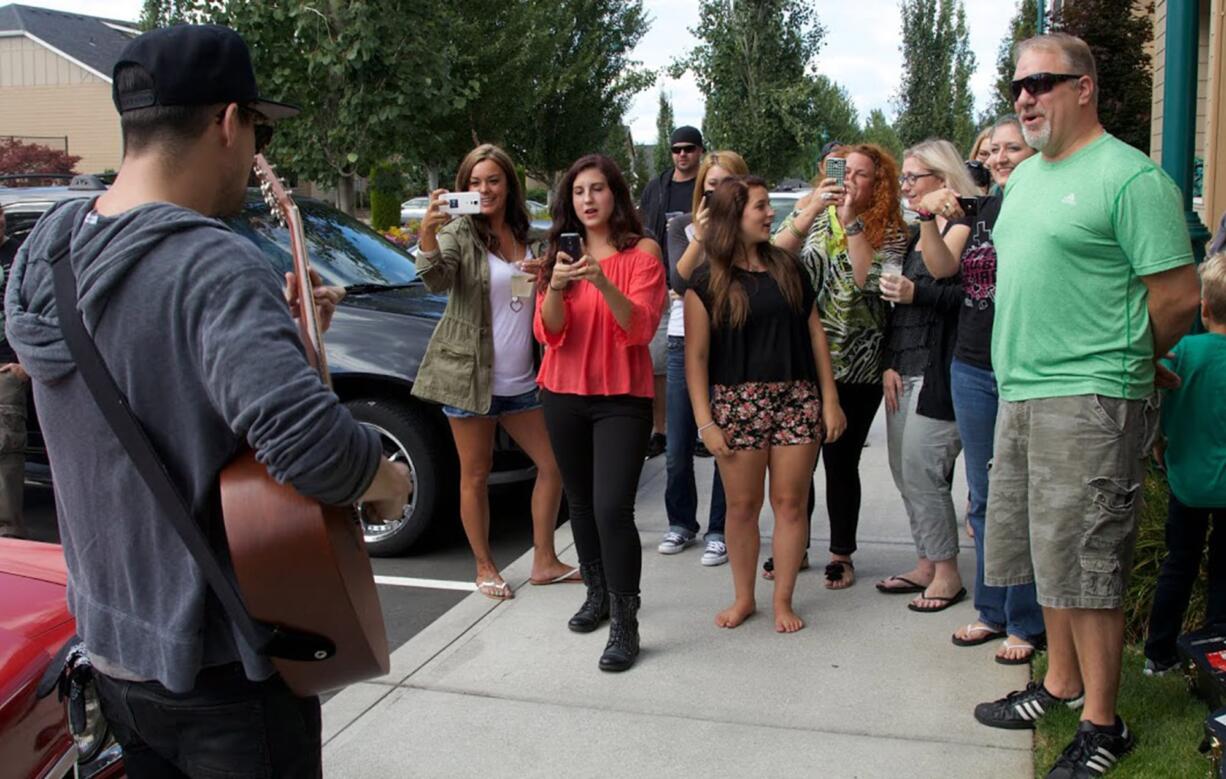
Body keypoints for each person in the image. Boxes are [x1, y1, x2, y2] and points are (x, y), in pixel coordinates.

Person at [3, 24, 412, 777]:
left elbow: (143, 365)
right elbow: (312, 448)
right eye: (256, 126)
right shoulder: (211, 264)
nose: (258, 149)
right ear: (229, 121)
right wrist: (387, 479)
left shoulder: (48, 253)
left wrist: (279, 339)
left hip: (116, 659)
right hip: (223, 673)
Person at [972, 34, 1200, 777]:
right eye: (1016, 87)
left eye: (1041, 82)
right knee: (1049, 554)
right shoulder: (1029, 177)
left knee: (1091, 562)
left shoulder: (1130, 179)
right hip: (1024, 391)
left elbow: (1177, 296)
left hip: (1089, 397)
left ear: (1085, 87)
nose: (1025, 98)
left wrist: (1129, 362)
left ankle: (1104, 724)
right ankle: (1062, 682)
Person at [412, 144, 574, 600]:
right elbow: (436, 278)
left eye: (493, 180)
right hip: (470, 377)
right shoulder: (460, 230)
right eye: (475, 182)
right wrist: (427, 235)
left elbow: (525, 300)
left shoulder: (526, 232)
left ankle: (544, 559)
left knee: (552, 464)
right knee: (476, 475)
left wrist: (541, 273)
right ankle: (484, 566)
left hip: (521, 378)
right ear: (464, 187)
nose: (484, 190)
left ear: (509, 184)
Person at [685, 176, 845, 633]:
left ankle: (783, 600)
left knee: (791, 504)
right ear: (735, 215)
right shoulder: (707, 280)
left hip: (796, 397)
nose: (770, 213)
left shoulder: (787, 267)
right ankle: (743, 598)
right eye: (760, 207)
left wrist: (829, 400)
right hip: (737, 403)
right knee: (742, 507)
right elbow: (696, 359)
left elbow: (816, 335)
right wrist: (705, 422)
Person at [915, 116, 1046, 665]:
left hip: (1025, 364)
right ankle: (993, 611)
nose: (999, 157)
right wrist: (927, 217)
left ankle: (1026, 620)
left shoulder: (1037, 208)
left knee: (1026, 497)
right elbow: (942, 266)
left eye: (1011, 147)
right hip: (972, 365)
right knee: (986, 496)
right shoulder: (982, 211)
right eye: (992, 150)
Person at [536, 154, 666, 672]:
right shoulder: (557, 257)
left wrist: (602, 280)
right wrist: (556, 285)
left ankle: (626, 623)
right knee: (582, 503)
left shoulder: (643, 253)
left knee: (613, 507)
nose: (588, 200)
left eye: (597, 189)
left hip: (620, 397)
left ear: (615, 195)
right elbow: (548, 332)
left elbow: (640, 328)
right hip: (562, 390)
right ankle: (597, 594)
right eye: (578, 192)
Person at [772, 143, 910, 589]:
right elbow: (775, 258)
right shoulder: (811, 212)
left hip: (860, 363)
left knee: (841, 461)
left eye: (862, 173)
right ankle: (798, 546)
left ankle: (841, 553)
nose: (850, 179)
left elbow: (864, 276)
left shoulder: (890, 229)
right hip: (804, 359)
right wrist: (812, 209)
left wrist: (851, 221)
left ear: (878, 182)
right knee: (799, 461)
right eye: (842, 170)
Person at [876, 139, 973, 615]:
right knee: (903, 470)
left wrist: (917, 294)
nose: (907, 187)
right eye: (905, 180)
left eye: (915, 178)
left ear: (944, 179)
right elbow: (901, 308)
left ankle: (948, 573)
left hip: (942, 370)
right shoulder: (918, 231)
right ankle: (926, 562)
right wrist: (890, 360)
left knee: (924, 470)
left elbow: (955, 296)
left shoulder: (963, 227)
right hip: (906, 365)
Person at [658, 150, 747, 566]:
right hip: (683, 341)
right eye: (710, 185)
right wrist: (702, 236)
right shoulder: (682, 225)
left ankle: (719, 530)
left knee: (723, 442)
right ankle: (681, 522)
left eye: (726, 184)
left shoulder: (747, 233)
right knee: (677, 445)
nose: (716, 192)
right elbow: (678, 278)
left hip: (729, 341)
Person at [1142, 251, 1226, 676]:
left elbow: (1159, 407)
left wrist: (1160, 445)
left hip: (1187, 480)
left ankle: (1159, 653)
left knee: (1179, 563)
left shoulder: (1182, 352)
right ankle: (1217, 651)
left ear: (1204, 307)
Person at [639, 126, 705, 458]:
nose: (682, 155)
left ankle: (700, 430)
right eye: (677, 149)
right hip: (661, 285)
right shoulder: (657, 188)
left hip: (701, 287)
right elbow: (644, 229)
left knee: (700, 361)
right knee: (659, 365)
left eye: (689, 149)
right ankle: (661, 430)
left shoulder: (707, 186)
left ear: (700, 151)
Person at [0, 202, 28, 539]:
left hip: (7, 368)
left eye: (2, 216)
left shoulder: (20, 256)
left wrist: (26, 365)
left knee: (4, 455)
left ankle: (6, 537)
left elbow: (37, 303)